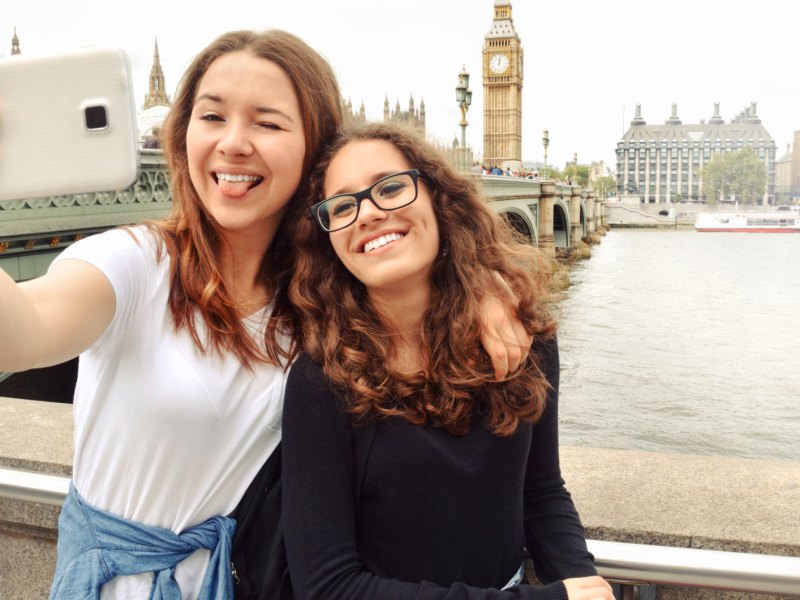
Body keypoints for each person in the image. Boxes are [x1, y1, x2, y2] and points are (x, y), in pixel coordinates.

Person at [0, 30, 528, 599]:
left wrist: (483, 290)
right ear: (182, 137)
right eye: (211, 116)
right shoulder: (135, 262)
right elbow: (23, 333)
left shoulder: (324, 297)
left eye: (268, 123)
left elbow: (428, 267)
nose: (233, 143)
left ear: (314, 151)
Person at [281, 123, 613, 600]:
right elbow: (328, 587)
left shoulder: (524, 341)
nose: (368, 213)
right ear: (329, 238)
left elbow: (540, 493)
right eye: (342, 205)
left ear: (438, 199)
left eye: (391, 186)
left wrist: (585, 582)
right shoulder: (324, 380)